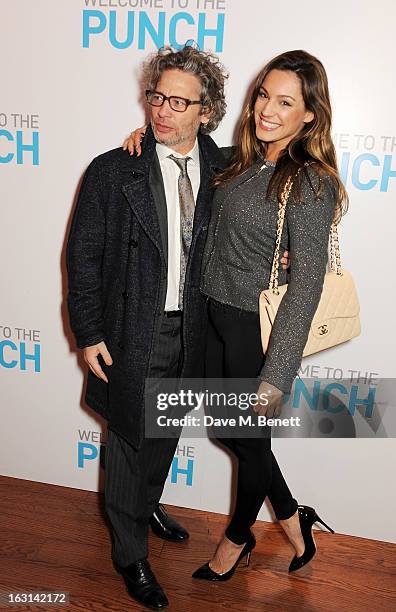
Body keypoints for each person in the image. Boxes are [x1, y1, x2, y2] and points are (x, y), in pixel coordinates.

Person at [125, 48, 346, 584]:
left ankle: (238, 537)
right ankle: (294, 516)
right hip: (210, 320)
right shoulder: (237, 161)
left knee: (249, 442)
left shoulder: (309, 181)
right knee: (235, 435)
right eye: (264, 94)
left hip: (254, 332)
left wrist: (277, 374)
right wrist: (144, 139)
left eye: (286, 101)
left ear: (309, 114)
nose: (267, 108)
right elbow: (185, 151)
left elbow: (307, 286)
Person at [66, 45, 230, 609]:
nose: (161, 111)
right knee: (131, 439)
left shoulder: (225, 168)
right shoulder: (114, 170)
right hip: (134, 326)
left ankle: (146, 503)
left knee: (165, 431)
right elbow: (83, 257)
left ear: (206, 111)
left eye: (179, 102)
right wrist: (88, 332)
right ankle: (130, 553)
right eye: (157, 96)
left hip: (195, 331)